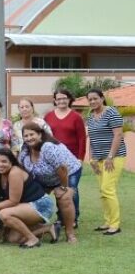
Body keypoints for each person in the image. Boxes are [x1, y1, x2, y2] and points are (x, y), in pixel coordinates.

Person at [19, 123, 80, 243]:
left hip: (68, 172)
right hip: (44, 178)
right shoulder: (25, 152)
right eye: (26, 136)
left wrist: (63, 187)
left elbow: (62, 169)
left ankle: (70, 233)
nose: (29, 138)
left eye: (32, 134)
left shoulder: (47, 148)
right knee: (32, 199)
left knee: (64, 199)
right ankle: (41, 227)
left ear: (40, 134)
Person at [85, 88, 126, 236]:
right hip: (98, 159)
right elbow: (92, 139)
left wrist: (110, 157)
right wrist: (92, 159)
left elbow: (118, 135)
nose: (92, 101)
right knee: (103, 191)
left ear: (102, 98)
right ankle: (107, 221)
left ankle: (115, 225)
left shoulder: (111, 112)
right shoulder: (91, 116)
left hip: (114, 158)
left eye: (95, 98)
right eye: (90, 99)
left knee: (108, 189)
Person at [44, 89, 86, 222]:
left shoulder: (76, 117)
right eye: (59, 98)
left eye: (64, 98)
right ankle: (61, 217)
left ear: (69, 99)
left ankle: (74, 218)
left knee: (72, 189)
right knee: (59, 189)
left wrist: (80, 158)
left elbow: (82, 139)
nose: (61, 101)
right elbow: (45, 136)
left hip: (72, 161)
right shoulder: (48, 116)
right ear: (55, 100)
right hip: (55, 161)